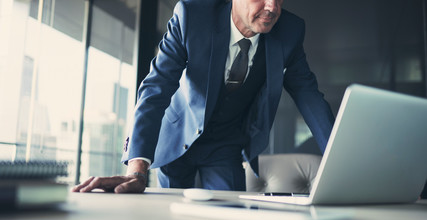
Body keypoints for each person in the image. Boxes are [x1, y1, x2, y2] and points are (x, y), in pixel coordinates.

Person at [72, 0, 335, 194]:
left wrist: (338, 163)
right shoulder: (192, 16)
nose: (272, 7)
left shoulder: (289, 31)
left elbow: (309, 96)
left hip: (227, 144)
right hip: (176, 137)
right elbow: (155, 89)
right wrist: (137, 168)